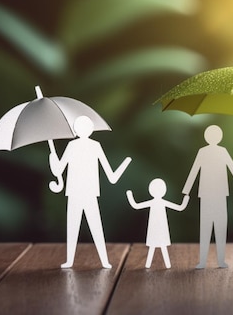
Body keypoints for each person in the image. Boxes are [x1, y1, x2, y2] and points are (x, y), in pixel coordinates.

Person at [49, 115, 131, 269]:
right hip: (80, 192)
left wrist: (53, 162)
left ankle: (95, 261)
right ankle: (89, 261)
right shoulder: (91, 146)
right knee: (85, 227)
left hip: (82, 192)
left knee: (83, 227)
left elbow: (58, 170)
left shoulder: (76, 146)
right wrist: (53, 159)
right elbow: (112, 177)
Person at [182, 125, 233, 268]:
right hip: (210, 194)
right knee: (210, 227)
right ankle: (206, 261)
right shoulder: (209, 152)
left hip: (216, 195)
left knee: (216, 227)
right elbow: (195, 170)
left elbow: (231, 168)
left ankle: (217, 260)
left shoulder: (219, 152)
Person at [126, 178, 189, 268]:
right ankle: (152, 265)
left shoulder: (159, 202)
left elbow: (180, 207)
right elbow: (136, 205)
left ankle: (160, 265)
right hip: (154, 228)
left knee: (160, 246)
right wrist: (130, 196)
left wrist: (185, 200)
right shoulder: (157, 202)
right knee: (154, 246)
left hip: (161, 228)